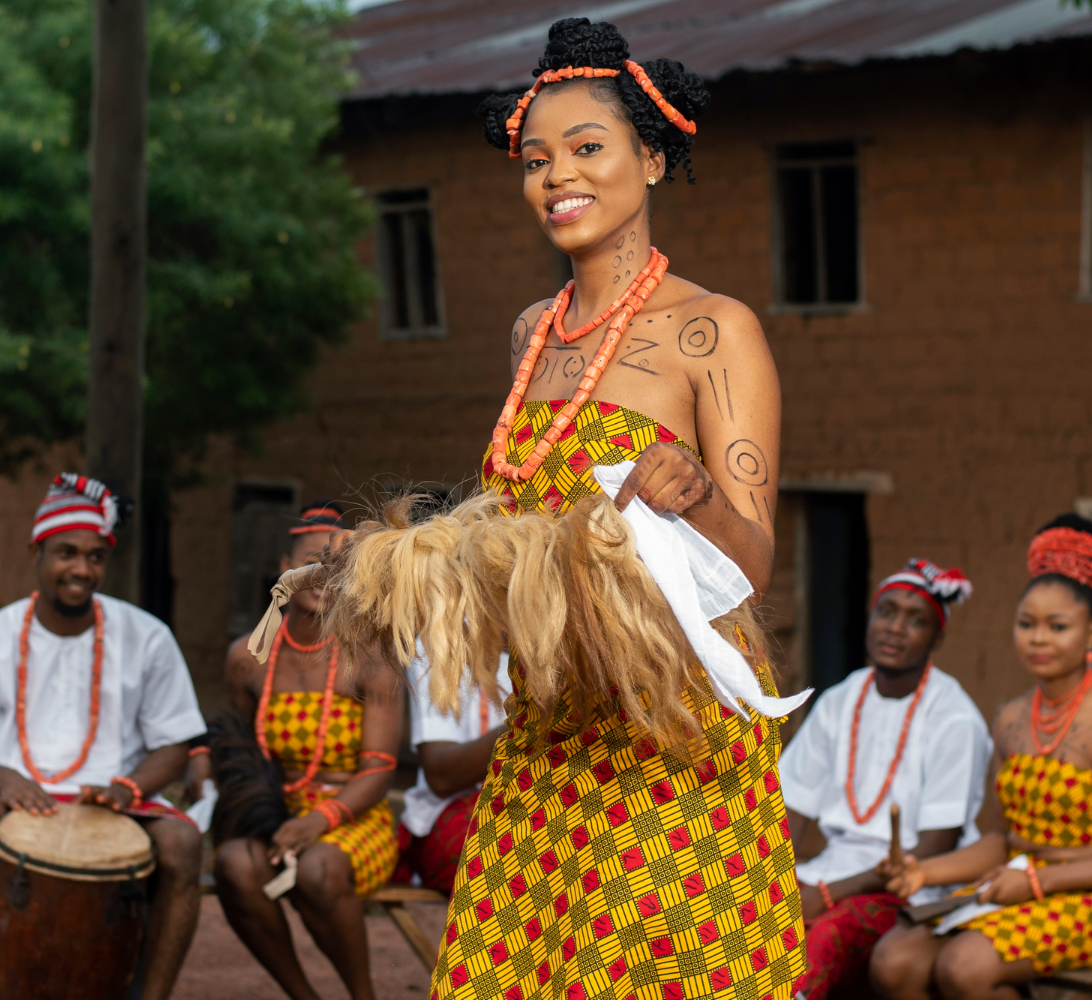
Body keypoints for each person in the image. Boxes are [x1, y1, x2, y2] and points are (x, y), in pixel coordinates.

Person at [421, 18, 805, 1000]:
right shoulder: (529, 336)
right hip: (554, 716)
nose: (556, 177)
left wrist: (698, 493)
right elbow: (516, 524)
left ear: (654, 156)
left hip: (671, 723)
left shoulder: (712, 330)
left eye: (586, 149)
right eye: (537, 158)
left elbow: (753, 561)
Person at [0, 473, 206, 1000]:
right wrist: (0, 775)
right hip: (16, 794)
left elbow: (175, 742)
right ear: (39, 553)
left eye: (95, 556)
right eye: (66, 553)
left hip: (118, 795)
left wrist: (129, 787)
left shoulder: (147, 636)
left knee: (184, 843)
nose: (81, 568)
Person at [870, 515, 1092, 1000]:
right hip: (1019, 882)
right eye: (1027, 624)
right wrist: (926, 872)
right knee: (894, 961)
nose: (1039, 638)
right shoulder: (1011, 719)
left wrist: (1037, 882)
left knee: (962, 967)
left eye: (1058, 626)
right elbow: (1007, 839)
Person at [202, 501, 403, 1000]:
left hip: (356, 818)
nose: (324, 573)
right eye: (312, 559)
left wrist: (318, 821)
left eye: (339, 564)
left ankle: (363, 995)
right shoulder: (246, 659)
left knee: (319, 867)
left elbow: (379, 770)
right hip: (279, 813)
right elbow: (245, 752)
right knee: (235, 864)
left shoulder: (371, 656)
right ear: (284, 569)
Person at [778, 559, 991, 1000]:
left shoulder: (955, 719)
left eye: (916, 621)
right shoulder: (840, 701)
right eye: (887, 611)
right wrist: (775, 883)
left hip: (913, 889)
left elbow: (931, 853)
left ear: (938, 637)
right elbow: (789, 813)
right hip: (829, 874)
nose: (895, 628)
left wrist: (826, 894)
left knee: (819, 943)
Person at [393, 648, 511, 893]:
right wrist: (527, 720)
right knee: (500, 857)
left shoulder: (554, 641)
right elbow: (441, 776)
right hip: (452, 812)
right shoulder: (439, 643)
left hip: (533, 801)